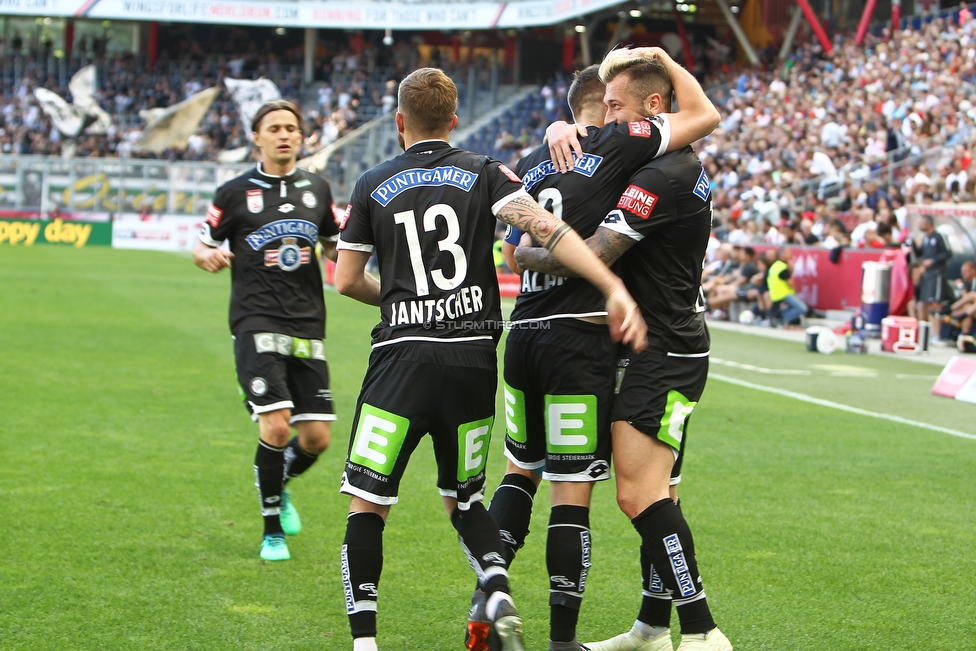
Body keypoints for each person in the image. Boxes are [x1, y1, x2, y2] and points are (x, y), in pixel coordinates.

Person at [332, 67, 647, 651]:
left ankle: (364, 643)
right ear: (454, 121)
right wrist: (610, 283)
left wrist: (405, 295)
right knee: (467, 498)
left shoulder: (373, 182)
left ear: (399, 122)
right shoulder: (485, 172)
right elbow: (546, 230)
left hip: (401, 360)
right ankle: (496, 583)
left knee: (368, 502)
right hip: (473, 362)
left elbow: (346, 279)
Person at [484, 51, 719, 651]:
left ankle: (702, 632)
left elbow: (598, 250)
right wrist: (565, 127)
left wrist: (536, 252)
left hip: (664, 349)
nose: (607, 121)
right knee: (657, 493)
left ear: (654, 107)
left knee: (638, 494)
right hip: (650, 344)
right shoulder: (654, 158)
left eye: (617, 108)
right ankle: (650, 629)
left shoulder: (660, 175)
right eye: (603, 107)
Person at [193, 100, 339, 562]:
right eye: (274, 128)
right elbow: (201, 245)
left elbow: (337, 245)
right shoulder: (234, 192)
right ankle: (271, 530)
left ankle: (278, 482)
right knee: (276, 427)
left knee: (316, 438)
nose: (284, 135)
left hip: (308, 323)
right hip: (256, 321)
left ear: (300, 137)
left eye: (291, 128)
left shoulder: (318, 188)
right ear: (256, 137)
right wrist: (208, 258)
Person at [911, 215, 952, 343]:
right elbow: (919, 253)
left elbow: (948, 253)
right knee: (922, 304)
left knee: (934, 303)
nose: (920, 225)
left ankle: (936, 334)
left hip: (936, 274)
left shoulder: (938, 237)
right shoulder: (925, 238)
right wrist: (912, 243)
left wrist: (933, 260)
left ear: (929, 223)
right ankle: (924, 333)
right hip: (927, 276)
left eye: (922, 222)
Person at [767, 247, 807, 326]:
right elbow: (791, 284)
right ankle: (782, 318)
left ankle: (777, 316)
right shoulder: (783, 268)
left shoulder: (775, 266)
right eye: (788, 253)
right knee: (802, 308)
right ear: (782, 255)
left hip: (775, 293)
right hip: (784, 293)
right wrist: (791, 270)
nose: (790, 255)